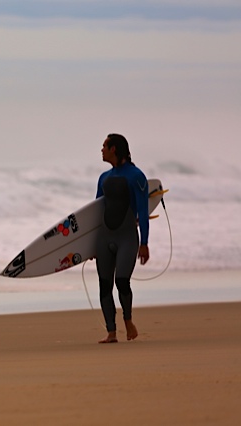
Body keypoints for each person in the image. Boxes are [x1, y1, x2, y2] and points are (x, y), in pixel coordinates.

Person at [95, 133, 149, 343]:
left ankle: (128, 321)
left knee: (122, 281)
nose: (101, 150)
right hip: (104, 237)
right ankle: (111, 332)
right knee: (104, 284)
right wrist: (88, 246)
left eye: (104, 146)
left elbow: (143, 212)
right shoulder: (103, 178)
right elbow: (95, 213)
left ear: (114, 149)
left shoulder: (136, 176)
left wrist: (144, 243)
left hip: (127, 236)